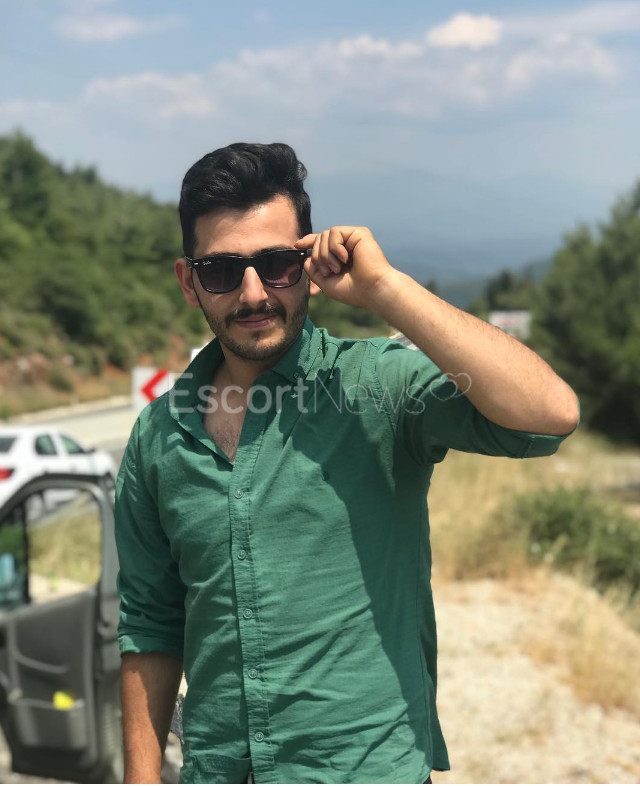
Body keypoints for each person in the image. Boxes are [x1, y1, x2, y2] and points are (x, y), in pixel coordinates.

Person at [115, 142, 579, 784]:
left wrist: (386, 288)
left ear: (308, 265)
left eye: (276, 264)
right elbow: (150, 624)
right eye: (221, 271)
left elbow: (549, 412)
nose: (252, 293)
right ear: (188, 281)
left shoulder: (377, 388)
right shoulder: (159, 436)